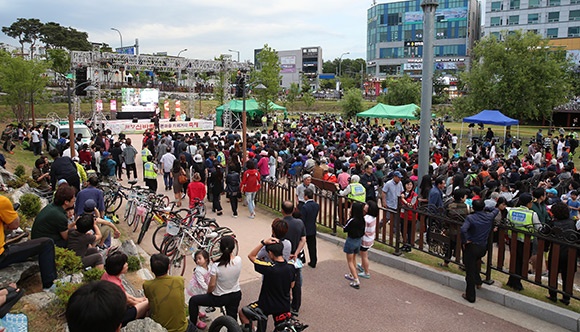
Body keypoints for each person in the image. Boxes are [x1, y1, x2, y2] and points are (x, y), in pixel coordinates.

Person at [0, 195, 57, 291]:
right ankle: (49, 284)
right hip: (1, 255)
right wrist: (11, 212)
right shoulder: (2, 201)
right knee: (47, 243)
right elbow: (14, 225)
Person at [239, 239, 295, 332]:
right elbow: (292, 285)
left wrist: (263, 242)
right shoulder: (291, 267)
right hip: (284, 305)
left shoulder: (269, 267)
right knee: (281, 327)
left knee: (243, 313)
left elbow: (251, 256)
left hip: (266, 305)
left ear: (270, 253)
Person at [188, 236, 242, 327]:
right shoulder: (238, 260)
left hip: (219, 297)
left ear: (220, 248)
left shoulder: (216, 266)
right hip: (235, 295)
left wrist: (208, 292)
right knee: (232, 320)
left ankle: (192, 326)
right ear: (233, 247)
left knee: (193, 300)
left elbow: (212, 285)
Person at [143, 253, 194, 332]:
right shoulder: (179, 280)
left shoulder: (147, 285)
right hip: (183, 328)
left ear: (152, 269)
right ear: (168, 267)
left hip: (161, 328)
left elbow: (149, 299)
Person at [460, 199, 499, 303]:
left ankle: (470, 296)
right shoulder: (489, 217)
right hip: (483, 247)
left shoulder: (471, 218)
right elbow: (496, 210)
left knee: (469, 271)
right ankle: (478, 281)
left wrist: (465, 240)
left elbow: (463, 229)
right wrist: (485, 208)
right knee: (473, 265)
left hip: (472, 246)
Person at [101, 251, 149, 326]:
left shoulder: (106, 275)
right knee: (148, 303)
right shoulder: (115, 285)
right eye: (125, 263)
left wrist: (138, 299)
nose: (127, 264)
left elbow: (125, 295)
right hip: (118, 316)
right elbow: (128, 301)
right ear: (119, 267)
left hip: (110, 310)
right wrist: (140, 303)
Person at [506, 193, 542, 291]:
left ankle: (511, 280)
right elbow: (539, 228)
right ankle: (517, 282)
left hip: (512, 240)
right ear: (528, 203)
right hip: (525, 242)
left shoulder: (511, 211)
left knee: (514, 259)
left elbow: (507, 223)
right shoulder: (532, 214)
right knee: (522, 261)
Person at [546, 202, 576, 305]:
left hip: (556, 251)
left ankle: (553, 294)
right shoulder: (572, 222)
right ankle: (566, 297)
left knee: (553, 272)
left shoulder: (553, 224)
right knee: (567, 275)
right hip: (570, 253)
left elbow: (545, 233)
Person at [281, 200, 306, 316]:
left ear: (282, 210)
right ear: (294, 210)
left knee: (282, 281)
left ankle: (284, 303)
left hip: (282, 256)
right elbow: (303, 239)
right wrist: (296, 252)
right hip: (295, 257)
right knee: (296, 282)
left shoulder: (280, 223)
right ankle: (296, 306)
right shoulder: (299, 223)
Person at [186, 250, 212, 329]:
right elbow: (201, 283)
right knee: (195, 303)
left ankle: (198, 312)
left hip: (201, 289)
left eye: (199, 258)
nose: (197, 261)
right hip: (196, 289)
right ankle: (196, 319)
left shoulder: (209, 267)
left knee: (199, 303)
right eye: (196, 259)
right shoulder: (198, 270)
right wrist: (209, 289)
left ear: (206, 259)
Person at [343, 202, 366, 289]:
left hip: (351, 240)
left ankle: (356, 280)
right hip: (358, 241)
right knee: (354, 258)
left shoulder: (352, 220)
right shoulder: (362, 219)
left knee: (350, 261)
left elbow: (345, 229)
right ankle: (353, 274)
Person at [357, 201, 378, 279]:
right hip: (370, 239)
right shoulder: (373, 217)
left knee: (364, 256)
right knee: (364, 255)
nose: (365, 206)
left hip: (365, 240)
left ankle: (366, 272)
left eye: (367, 205)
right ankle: (363, 266)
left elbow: (362, 229)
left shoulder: (366, 219)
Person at [300, 188, 320, 268]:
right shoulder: (316, 205)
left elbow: (303, 219)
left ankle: (302, 259)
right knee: (312, 246)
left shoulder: (305, 207)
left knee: (301, 244)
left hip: (305, 229)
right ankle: (313, 261)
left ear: (306, 196)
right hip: (312, 227)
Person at [399, 179, 418, 252]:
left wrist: (403, 199)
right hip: (403, 215)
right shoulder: (402, 193)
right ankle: (404, 244)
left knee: (409, 232)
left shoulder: (414, 195)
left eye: (410, 184)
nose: (409, 186)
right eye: (407, 184)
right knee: (403, 230)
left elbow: (411, 205)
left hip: (411, 217)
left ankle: (409, 246)